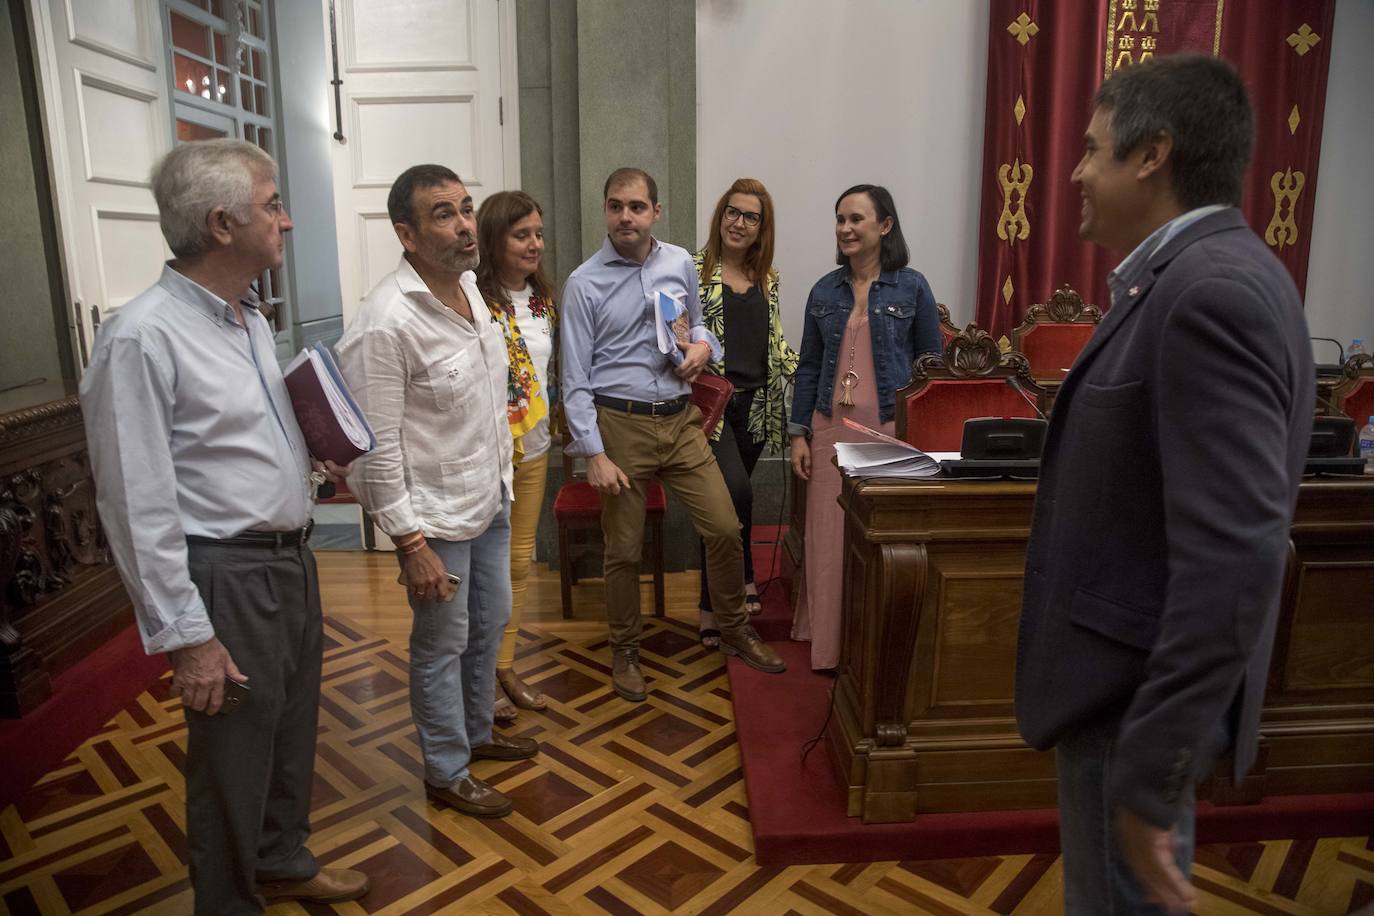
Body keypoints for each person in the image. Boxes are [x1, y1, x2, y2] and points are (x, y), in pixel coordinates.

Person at [1014, 55, 1314, 915]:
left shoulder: (1209, 293)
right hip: (1125, 696)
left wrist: (1154, 770)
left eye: (1092, 148)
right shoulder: (1196, 276)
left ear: (1152, 155)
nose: (1075, 171)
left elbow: (1235, 559)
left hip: (1130, 706)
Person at [80, 139, 368, 913]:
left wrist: (310, 464)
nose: (287, 220)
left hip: (289, 560)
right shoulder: (141, 337)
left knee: (289, 733)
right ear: (220, 224)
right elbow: (134, 503)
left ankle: (281, 859)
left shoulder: (248, 319)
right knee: (232, 758)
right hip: (225, 574)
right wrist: (189, 637)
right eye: (272, 205)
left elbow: (236, 443)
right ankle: (228, 902)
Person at [336, 164, 538, 821]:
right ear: (407, 234)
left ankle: (477, 733)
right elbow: (374, 449)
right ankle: (446, 770)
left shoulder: (470, 289)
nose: (464, 226)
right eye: (443, 215)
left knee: (489, 624)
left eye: (466, 209)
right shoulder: (386, 322)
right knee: (441, 644)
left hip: (489, 497)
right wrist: (409, 542)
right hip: (434, 520)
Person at [561, 167, 786, 700]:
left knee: (724, 527)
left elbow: (698, 325)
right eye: (616, 206)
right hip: (620, 425)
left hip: (682, 421)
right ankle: (626, 650)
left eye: (636, 206)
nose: (626, 217)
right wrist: (593, 453)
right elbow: (573, 380)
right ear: (605, 211)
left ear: (655, 212)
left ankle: (734, 629)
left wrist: (704, 347)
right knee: (623, 550)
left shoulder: (680, 262)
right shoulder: (583, 283)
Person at [787, 185, 941, 670]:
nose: (845, 228)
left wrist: (923, 437)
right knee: (829, 539)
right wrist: (798, 433)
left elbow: (931, 366)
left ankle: (873, 643)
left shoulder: (912, 287)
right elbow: (809, 366)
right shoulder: (823, 290)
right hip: (829, 427)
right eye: (840, 219)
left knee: (880, 538)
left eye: (856, 219)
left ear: (885, 225)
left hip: (890, 430)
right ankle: (829, 648)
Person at [693, 178, 798, 646]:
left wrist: (815, 372)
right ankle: (738, 583)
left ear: (761, 226)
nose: (739, 223)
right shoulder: (693, 270)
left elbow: (776, 344)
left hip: (757, 409)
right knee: (732, 495)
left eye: (750, 216)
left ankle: (716, 601)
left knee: (724, 506)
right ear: (721, 217)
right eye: (732, 212)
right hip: (712, 409)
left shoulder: (768, 278)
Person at [475, 190, 557, 722]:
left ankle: (504, 666)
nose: (535, 244)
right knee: (487, 569)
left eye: (538, 234)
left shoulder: (544, 298)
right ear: (494, 239)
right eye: (521, 235)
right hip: (489, 453)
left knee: (519, 561)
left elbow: (549, 372)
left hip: (536, 446)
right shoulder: (472, 300)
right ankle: (480, 677)